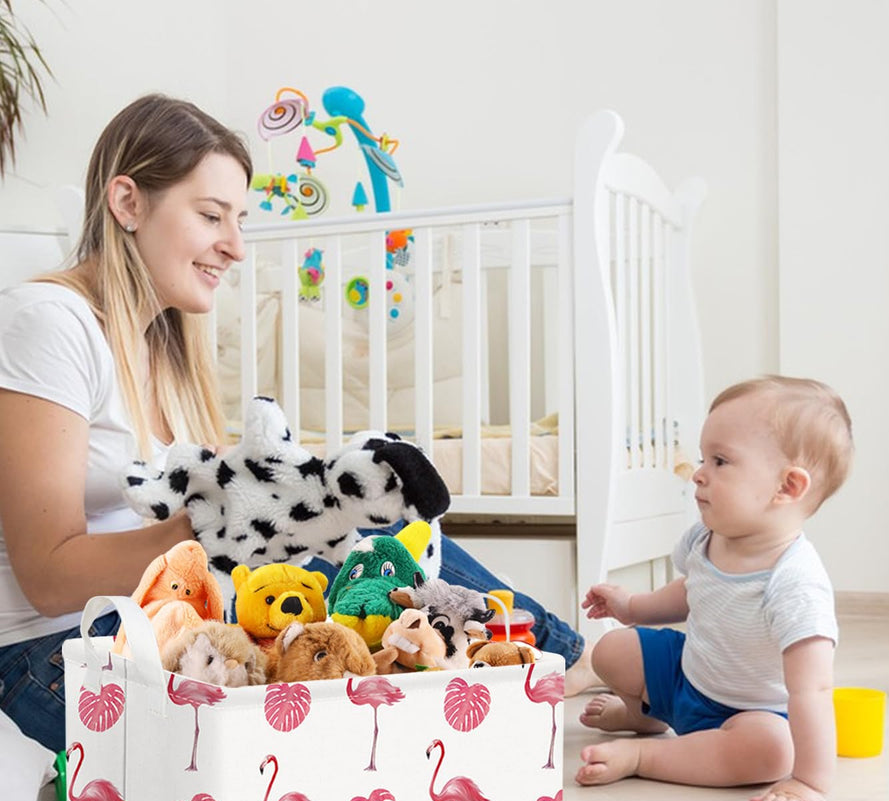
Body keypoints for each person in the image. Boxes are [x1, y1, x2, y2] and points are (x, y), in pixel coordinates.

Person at [0, 94, 593, 756]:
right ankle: (573, 662)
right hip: (50, 647)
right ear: (128, 203)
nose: (235, 247)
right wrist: (224, 528)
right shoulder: (49, 324)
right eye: (210, 215)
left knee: (362, 517)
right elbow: (47, 577)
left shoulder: (162, 346)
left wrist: (299, 508)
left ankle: (557, 656)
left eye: (240, 220)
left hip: (156, 613)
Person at [576, 376, 854, 801]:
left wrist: (810, 781)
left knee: (770, 752)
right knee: (612, 650)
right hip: (690, 677)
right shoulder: (708, 538)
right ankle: (645, 714)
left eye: (721, 461)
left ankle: (645, 754)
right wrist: (632, 607)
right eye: (704, 458)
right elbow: (691, 591)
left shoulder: (796, 583)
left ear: (788, 487)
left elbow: (813, 689)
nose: (699, 473)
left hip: (750, 713)